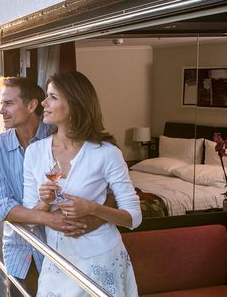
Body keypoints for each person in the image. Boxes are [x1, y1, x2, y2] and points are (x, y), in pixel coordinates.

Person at [0, 76, 111, 296]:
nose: (1, 111)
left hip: (73, 247)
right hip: (22, 250)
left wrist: (92, 222)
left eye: (9, 103)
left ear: (32, 105)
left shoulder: (63, 137)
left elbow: (111, 194)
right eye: (1, 104)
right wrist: (50, 219)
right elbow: (3, 206)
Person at [23, 71, 142, 296]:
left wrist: (93, 208)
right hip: (57, 261)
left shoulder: (106, 154)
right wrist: (44, 203)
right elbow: (30, 217)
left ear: (75, 103)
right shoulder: (35, 153)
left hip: (101, 259)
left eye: (53, 97)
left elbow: (134, 217)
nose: (44, 103)